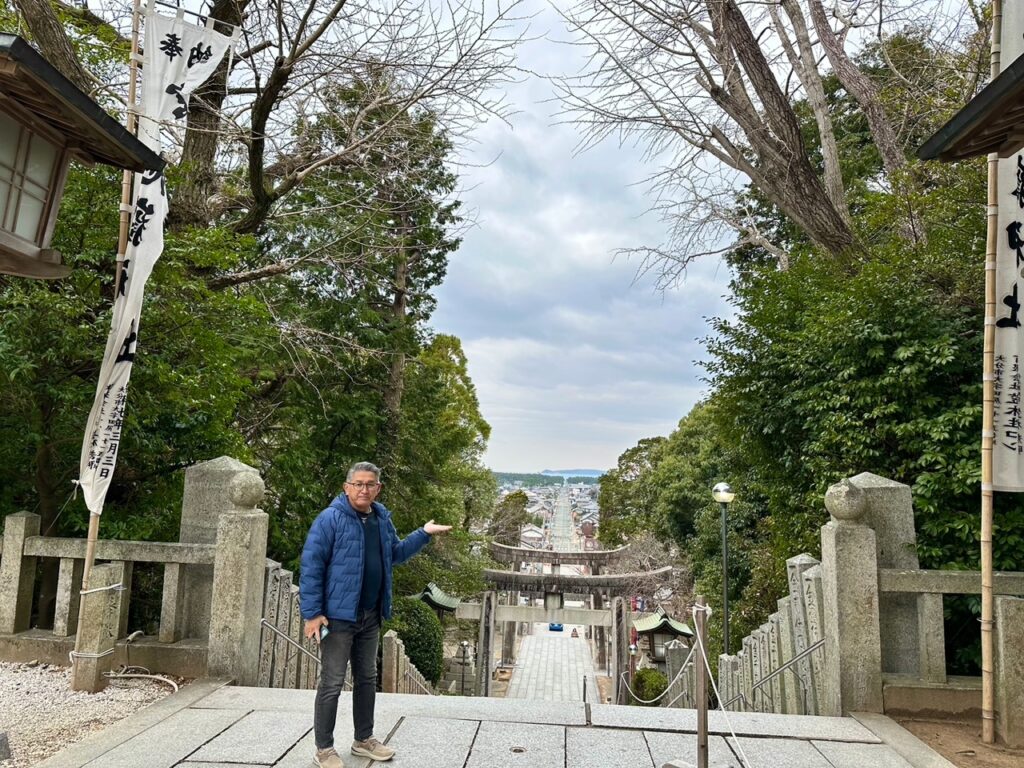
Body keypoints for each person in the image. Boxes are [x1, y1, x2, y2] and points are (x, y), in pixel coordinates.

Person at [300, 461, 451, 767]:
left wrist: (423, 533)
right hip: (338, 617)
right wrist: (313, 613)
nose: (364, 489)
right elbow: (312, 567)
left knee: (367, 678)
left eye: (370, 484)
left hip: (371, 615)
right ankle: (324, 748)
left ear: (378, 489)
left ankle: (363, 739)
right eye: (358, 483)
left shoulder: (381, 519)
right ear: (347, 487)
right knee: (331, 682)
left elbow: (394, 554)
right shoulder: (330, 519)